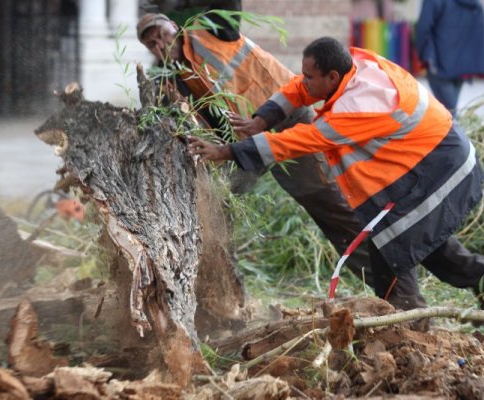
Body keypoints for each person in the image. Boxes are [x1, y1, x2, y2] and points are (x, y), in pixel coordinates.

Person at [188, 37, 484, 315]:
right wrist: (262, 118)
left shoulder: (354, 108)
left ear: (331, 76)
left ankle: (409, 320)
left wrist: (227, 151)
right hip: (431, 156)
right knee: (425, 241)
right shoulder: (353, 66)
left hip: (439, 168)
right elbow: (300, 89)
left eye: (311, 76)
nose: (305, 81)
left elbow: (299, 141)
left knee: (391, 244)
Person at [136, 10, 381, 291]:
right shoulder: (170, 79)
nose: (160, 45)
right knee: (217, 204)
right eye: (151, 44)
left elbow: (227, 4)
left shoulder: (214, 32)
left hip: (284, 118)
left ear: (175, 27)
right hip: (246, 143)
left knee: (327, 206)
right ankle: (224, 290)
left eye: (162, 34)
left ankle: (386, 279)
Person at [415, 0, 484, 117]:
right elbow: (479, 30)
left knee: (449, 115)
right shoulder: (476, 3)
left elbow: (423, 28)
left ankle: (459, 134)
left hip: (439, 63)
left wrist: (425, 56)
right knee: (451, 111)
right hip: (463, 65)